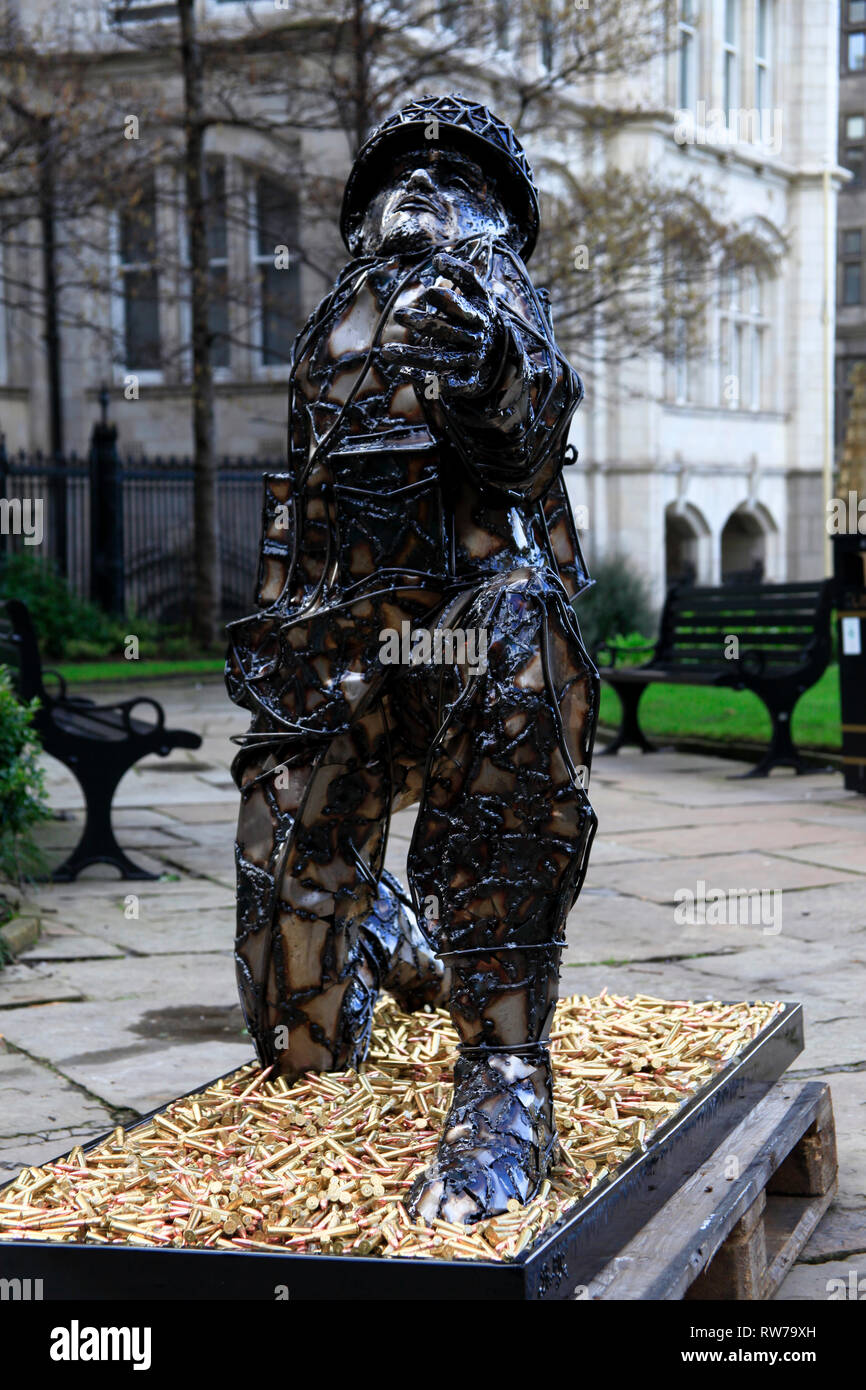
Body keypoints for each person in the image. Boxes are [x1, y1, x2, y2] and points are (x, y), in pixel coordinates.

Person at [226, 93, 599, 1224]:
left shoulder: (494, 300)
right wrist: (278, 680)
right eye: (403, 167)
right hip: (345, 654)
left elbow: (535, 423)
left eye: (459, 173)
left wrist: (489, 370)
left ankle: (504, 1070)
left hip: (468, 635)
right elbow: (299, 519)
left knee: (519, 649)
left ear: (498, 210)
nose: (426, 186)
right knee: (298, 1039)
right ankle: (380, 925)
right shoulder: (329, 338)